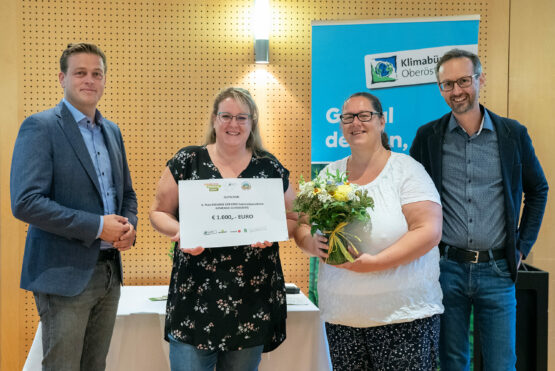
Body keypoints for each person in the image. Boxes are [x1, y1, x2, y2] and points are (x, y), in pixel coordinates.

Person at [410, 49, 549, 370]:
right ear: (440, 89)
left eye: (463, 81)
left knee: (502, 363)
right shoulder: (428, 137)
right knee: (452, 362)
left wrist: (522, 246)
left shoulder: (512, 134)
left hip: (498, 270)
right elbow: (410, 195)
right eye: (447, 84)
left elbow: (538, 190)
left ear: (480, 80)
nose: (456, 91)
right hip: (446, 269)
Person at [149, 87, 297, 371]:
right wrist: (180, 232)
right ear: (214, 120)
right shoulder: (187, 161)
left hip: (251, 297)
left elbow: (295, 217)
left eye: (242, 117)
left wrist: (275, 231)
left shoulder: (269, 167)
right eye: (226, 116)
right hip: (196, 295)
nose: (233, 124)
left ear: (252, 122)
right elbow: (159, 212)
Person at [294, 92, 444, 370]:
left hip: (403, 318)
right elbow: (302, 225)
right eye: (348, 117)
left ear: (382, 121)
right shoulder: (329, 174)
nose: (356, 123)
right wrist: (310, 244)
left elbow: (428, 231)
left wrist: (375, 264)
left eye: (365, 116)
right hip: (342, 319)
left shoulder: (406, 171)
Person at [10, 43, 138, 370]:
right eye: (80, 73)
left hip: (109, 271)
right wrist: (97, 226)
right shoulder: (40, 127)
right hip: (63, 274)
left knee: (94, 366)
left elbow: (126, 194)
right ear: (62, 78)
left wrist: (129, 228)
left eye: (97, 74)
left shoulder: (112, 131)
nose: (89, 80)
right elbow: (26, 202)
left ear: (105, 80)